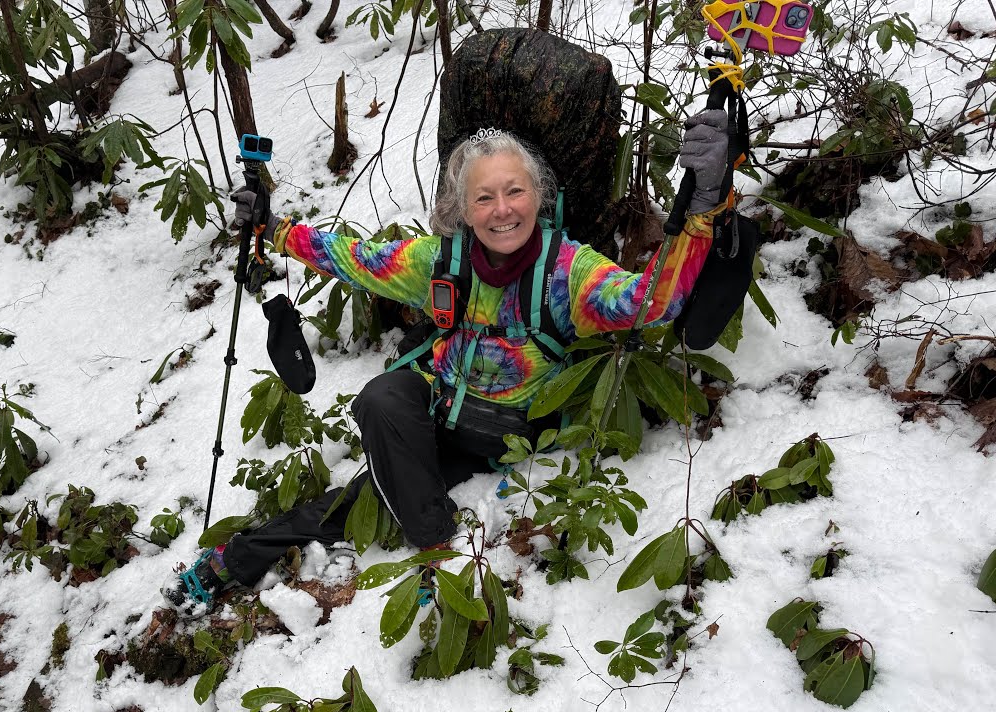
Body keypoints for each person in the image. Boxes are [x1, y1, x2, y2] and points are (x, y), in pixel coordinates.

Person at [162, 113, 730, 617]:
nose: (502, 210)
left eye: (514, 192)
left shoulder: (568, 273)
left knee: (368, 495)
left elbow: (652, 302)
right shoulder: (442, 262)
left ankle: (430, 548)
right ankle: (413, 542)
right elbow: (356, 260)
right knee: (379, 405)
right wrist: (275, 230)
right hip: (442, 418)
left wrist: (703, 207)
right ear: (462, 209)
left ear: (539, 195)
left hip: (517, 438)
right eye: (484, 198)